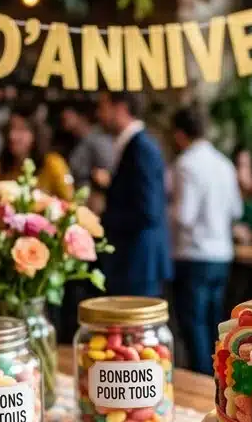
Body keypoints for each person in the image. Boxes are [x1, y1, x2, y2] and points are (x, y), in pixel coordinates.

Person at [168, 108, 242, 376]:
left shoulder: (185, 164)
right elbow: (236, 210)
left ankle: (202, 380)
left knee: (194, 325)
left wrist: (164, 209)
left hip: (194, 254)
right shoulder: (224, 163)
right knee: (215, 324)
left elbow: (185, 216)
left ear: (179, 134)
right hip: (222, 254)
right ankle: (220, 378)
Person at [96, 91, 171, 298]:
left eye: (103, 107)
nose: (99, 114)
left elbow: (148, 211)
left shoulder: (140, 148)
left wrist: (101, 219)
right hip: (135, 263)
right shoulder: (135, 146)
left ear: (120, 108)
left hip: (138, 264)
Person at [0, 106, 73, 199]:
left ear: (36, 134)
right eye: (10, 128)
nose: (12, 136)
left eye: (21, 129)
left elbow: (71, 202)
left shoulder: (53, 163)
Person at [59, 100, 115, 203]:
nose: (63, 116)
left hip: (92, 200)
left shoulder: (98, 139)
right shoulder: (74, 140)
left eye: (69, 112)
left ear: (81, 116)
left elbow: (108, 173)